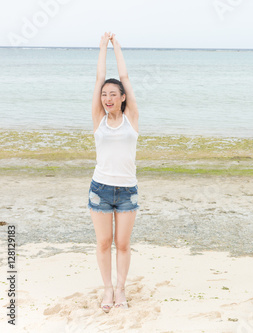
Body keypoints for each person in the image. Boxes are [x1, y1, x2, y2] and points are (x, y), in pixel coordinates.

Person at [88, 32, 139, 313]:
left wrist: (117, 47)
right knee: (104, 242)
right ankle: (107, 289)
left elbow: (126, 77)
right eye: (104, 95)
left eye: (112, 94)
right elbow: (99, 79)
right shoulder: (99, 122)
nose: (107, 98)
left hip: (127, 190)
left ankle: (121, 290)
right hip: (100, 190)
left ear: (122, 98)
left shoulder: (132, 120)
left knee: (122, 243)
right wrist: (101, 49)